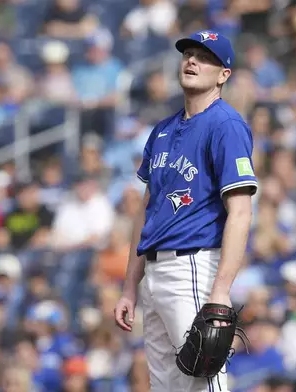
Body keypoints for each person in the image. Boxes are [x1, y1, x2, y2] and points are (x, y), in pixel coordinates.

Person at [113, 30, 258, 392]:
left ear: (224, 73)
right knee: (166, 387)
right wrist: (131, 285)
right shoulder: (162, 130)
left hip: (193, 266)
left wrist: (221, 290)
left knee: (204, 383)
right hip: (155, 272)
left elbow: (240, 212)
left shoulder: (226, 125)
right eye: (189, 53)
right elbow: (147, 212)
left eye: (205, 57)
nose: (192, 61)